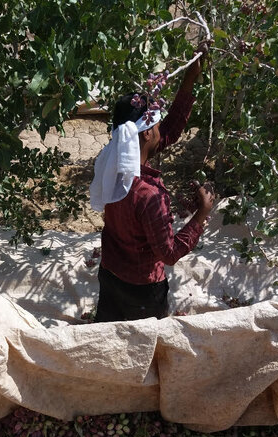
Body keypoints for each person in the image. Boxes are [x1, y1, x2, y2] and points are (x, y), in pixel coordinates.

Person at [89, 41, 215, 322]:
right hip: (143, 293)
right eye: (155, 125)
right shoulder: (149, 195)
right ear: (146, 134)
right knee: (142, 353)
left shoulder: (114, 160)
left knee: (107, 340)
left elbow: (170, 129)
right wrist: (201, 214)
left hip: (110, 277)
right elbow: (168, 254)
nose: (161, 130)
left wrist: (189, 80)